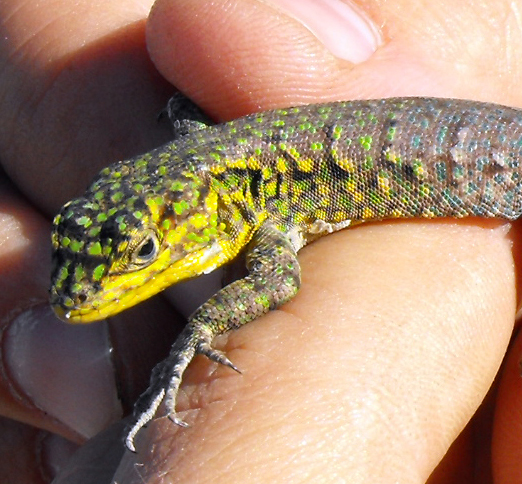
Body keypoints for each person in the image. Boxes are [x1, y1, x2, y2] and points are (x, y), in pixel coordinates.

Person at [0, 0, 521, 482]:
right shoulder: (219, 171)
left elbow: (278, 280)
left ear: (204, 212)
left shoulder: (250, 197)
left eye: (143, 253)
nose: (77, 294)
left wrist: (201, 327)